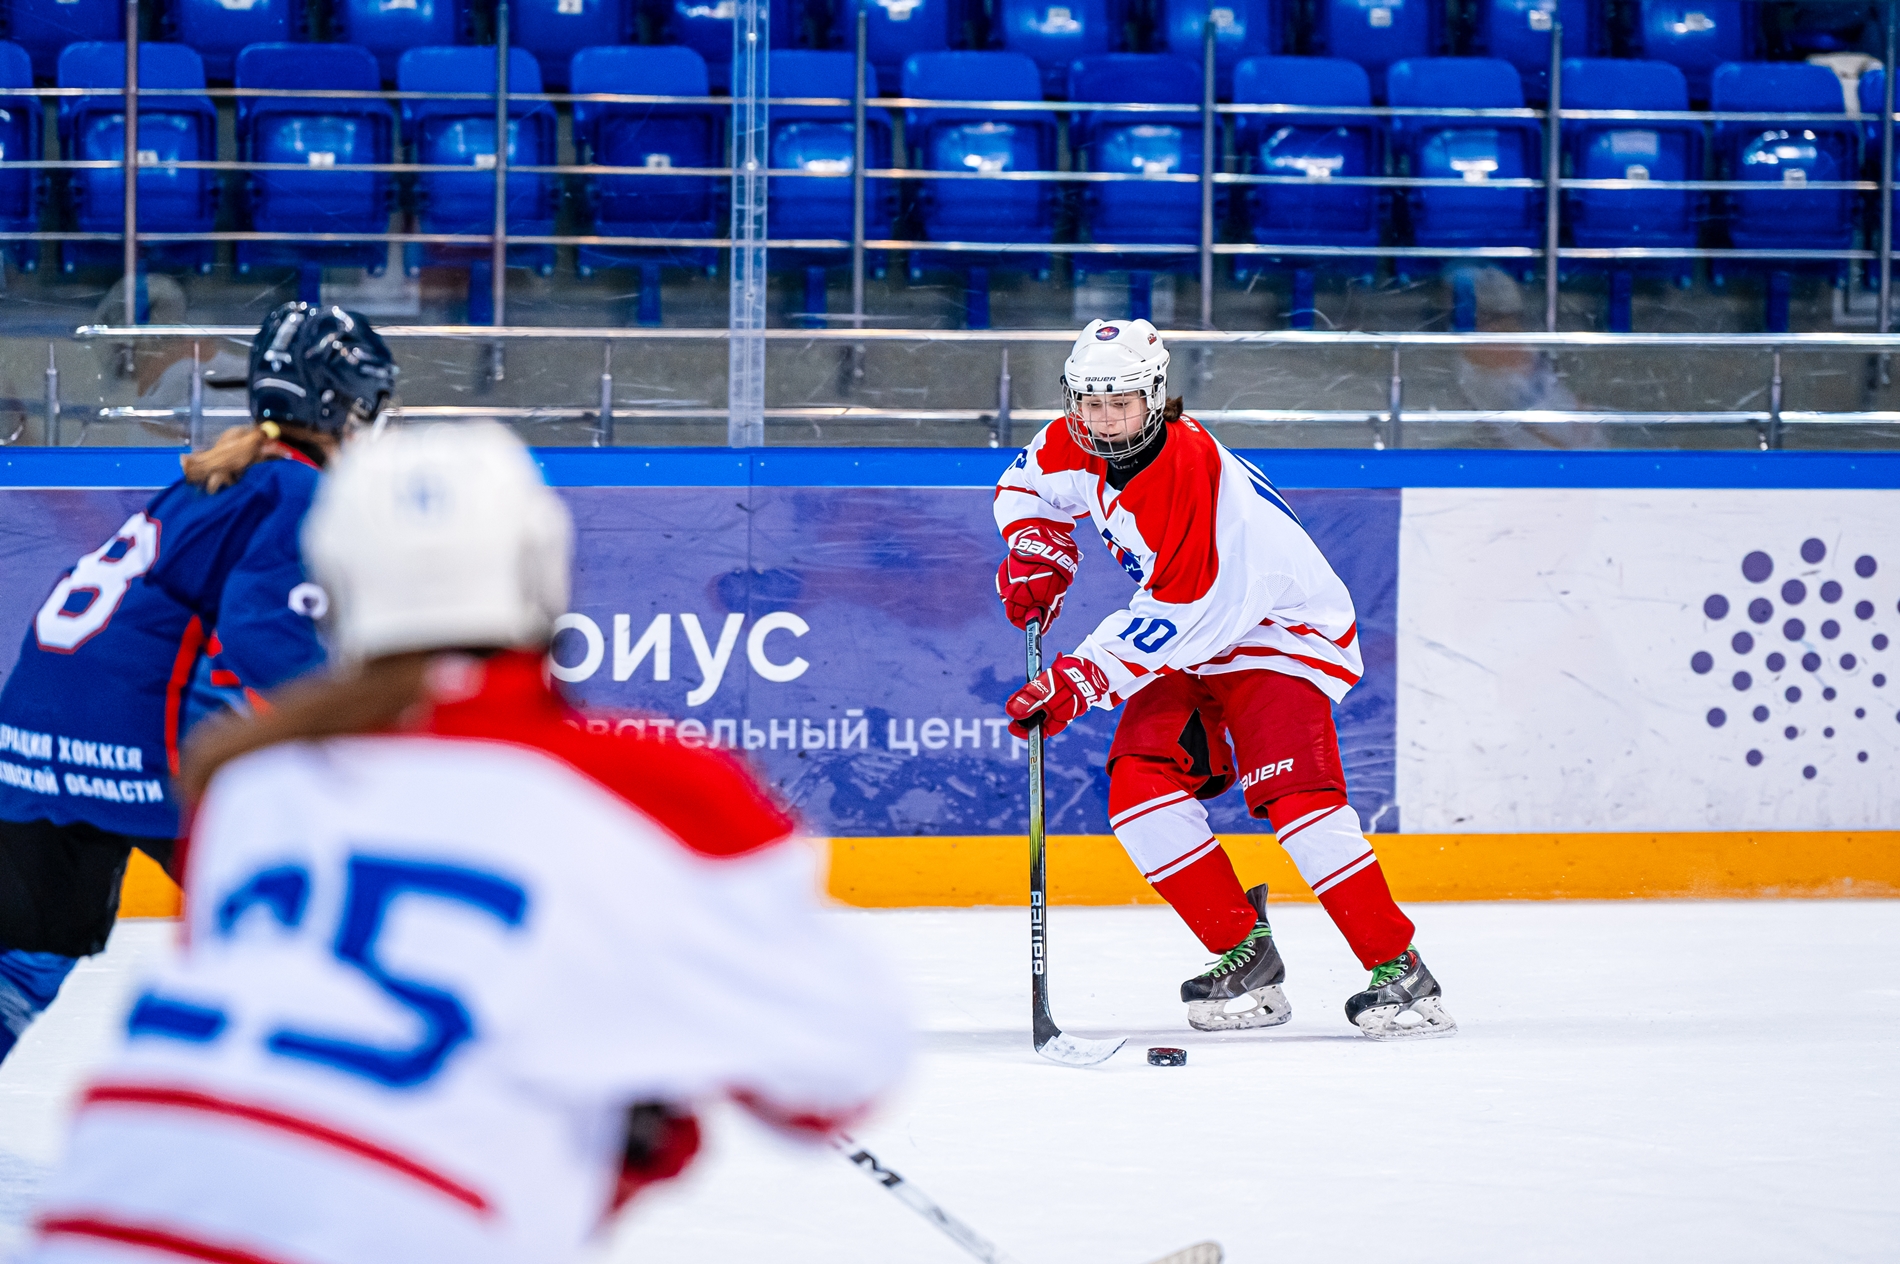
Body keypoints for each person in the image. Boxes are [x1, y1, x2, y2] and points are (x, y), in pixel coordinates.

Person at [22, 423, 909, 1264]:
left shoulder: (250, 781)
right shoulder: (657, 786)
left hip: (98, 1215)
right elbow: (841, 1068)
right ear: (542, 570)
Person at [993, 318, 1456, 1040]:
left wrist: (1079, 679)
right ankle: (1247, 954)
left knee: (1294, 797)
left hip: (1278, 634)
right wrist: (1036, 545)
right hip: (1196, 640)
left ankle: (1399, 967)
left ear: (1155, 397)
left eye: (1121, 403)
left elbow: (1182, 612)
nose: (1105, 419)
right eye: (1091, 402)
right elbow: (1025, 486)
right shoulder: (1070, 439)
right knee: (1138, 787)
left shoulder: (1187, 474)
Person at [0, 301, 397, 1065]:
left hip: (27, 735)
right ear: (343, 406)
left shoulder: (213, 476)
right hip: (136, 742)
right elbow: (264, 633)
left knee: (20, 958)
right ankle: (321, 1113)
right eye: (373, 404)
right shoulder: (297, 492)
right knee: (311, 914)